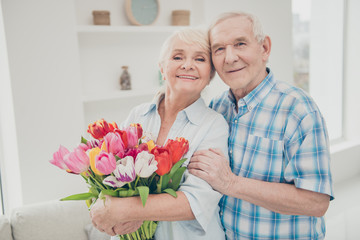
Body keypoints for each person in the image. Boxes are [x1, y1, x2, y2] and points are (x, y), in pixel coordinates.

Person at [188, 12, 334, 239]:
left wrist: (231, 183)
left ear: (264, 48)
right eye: (219, 49)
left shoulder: (298, 109)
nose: (229, 57)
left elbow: (316, 202)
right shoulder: (217, 108)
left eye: (240, 44)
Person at [90, 28, 229, 240]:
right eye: (177, 56)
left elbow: (194, 202)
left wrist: (124, 209)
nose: (188, 64)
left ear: (210, 74)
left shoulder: (214, 125)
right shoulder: (138, 115)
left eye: (199, 59)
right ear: (162, 68)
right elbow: (113, 175)